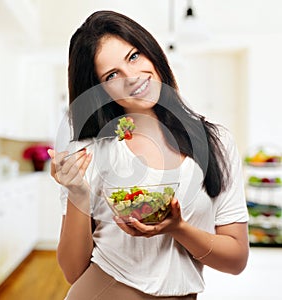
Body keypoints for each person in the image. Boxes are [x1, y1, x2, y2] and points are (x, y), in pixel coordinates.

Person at [48, 10, 249, 300]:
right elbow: (72, 271)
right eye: (112, 75)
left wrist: (178, 228)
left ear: (151, 52)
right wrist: (77, 193)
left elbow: (236, 260)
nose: (132, 77)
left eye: (133, 56)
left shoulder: (216, 143)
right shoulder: (91, 153)